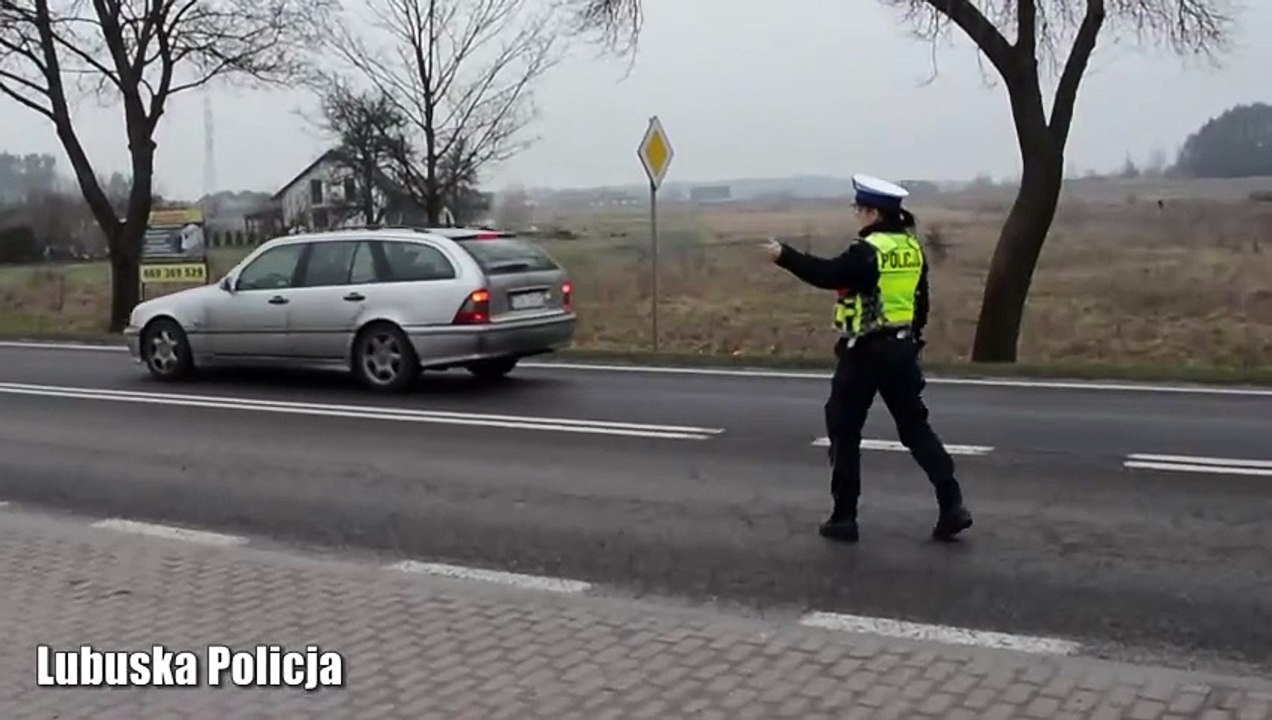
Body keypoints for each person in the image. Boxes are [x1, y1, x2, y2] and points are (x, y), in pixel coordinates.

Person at [761, 174, 973, 543]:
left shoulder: (868, 251)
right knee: (916, 429)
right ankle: (952, 503)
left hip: (865, 352)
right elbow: (921, 301)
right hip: (902, 350)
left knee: (844, 430)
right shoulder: (910, 248)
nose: (856, 215)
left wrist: (784, 255)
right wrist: (913, 341)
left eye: (859, 209)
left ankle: (844, 517)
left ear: (873, 212)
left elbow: (827, 274)